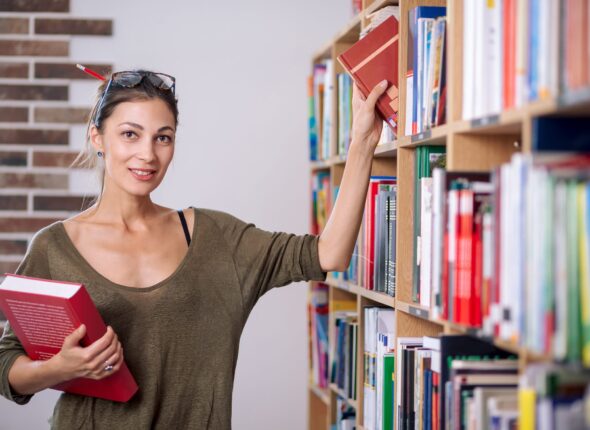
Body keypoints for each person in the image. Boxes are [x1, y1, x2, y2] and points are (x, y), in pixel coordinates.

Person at [0, 69, 389, 429]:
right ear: (98, 138)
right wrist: (60, 368)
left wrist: (362, 144)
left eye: (163, 137)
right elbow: (7, 364)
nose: (148, 154)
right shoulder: (54, 246)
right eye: (130, 134)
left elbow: (329, 254)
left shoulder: (216, 238)